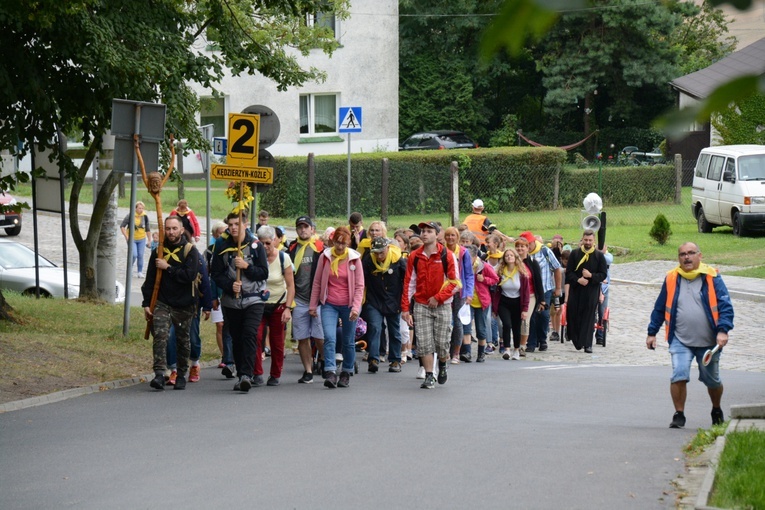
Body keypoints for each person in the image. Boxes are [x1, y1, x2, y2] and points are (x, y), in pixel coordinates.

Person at [647, 242, 734, 429]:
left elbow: (725, 306)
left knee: (712, 380)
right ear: (678, 258)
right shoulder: (671, 278)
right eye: (682, 254)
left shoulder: (712, 277)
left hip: (709, 341)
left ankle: (716, 409)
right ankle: (679, 414)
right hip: (680, 339)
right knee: (679, 373)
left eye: (691, 253)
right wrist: (651, 332)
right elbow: (660, 307)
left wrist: (723, 330)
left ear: (699, 256)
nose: (687, 257)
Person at [210, 212, 269, 392]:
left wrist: (246, 267)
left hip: (254, 299)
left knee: (249, 334)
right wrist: (229, 286)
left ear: (245, 224)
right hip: (232, 301)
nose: (234, 227)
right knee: (236, 337)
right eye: (231, 224)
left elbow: (263, 272)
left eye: (237, 224)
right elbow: (216, 274)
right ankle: (240, 372)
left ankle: (246, 374)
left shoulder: (256, 246)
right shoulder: (221, 245)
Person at [142, 216, 200, 391]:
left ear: (181, 230)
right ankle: (160, 373)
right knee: (161, 336)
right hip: (163, 302)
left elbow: (189, 275)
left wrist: (168, 268)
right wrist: (146, 303)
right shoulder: (158, 251)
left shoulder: (190, 251)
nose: (171, 232)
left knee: (183, 340)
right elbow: (150, 279)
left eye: (174, 228)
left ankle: (181, 373)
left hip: (184, 305)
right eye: (168, 229)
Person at [401, 221, 459, 390]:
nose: (424, 234)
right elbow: (409, 283)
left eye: (429, 231)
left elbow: (455, 283)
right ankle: (429, 375)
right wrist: (405, 308)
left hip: (442, 305)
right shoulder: (414, 256)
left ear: (436, 235)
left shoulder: (446, 255)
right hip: (421, 304)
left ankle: (442, 364)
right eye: (423, 231)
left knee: (442, 343)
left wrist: (439, 298)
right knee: (425, 342)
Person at [309, 226, 365, 389]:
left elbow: (360, 285)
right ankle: (331, 371)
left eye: (343, 243)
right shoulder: (325, 257)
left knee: (348, 341)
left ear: (348, 243)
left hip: (349, 305)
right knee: (330, 337)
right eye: (337, 243)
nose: (340, 247)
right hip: (329, 304)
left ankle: (346, 372)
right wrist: (313, 305)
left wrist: (356, 308)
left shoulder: (355, 259)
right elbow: (317, 282)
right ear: (333, 242)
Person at [254, 226, 295, 386]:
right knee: (256, 337)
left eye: (268, 243)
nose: (265, 247)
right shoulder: (255, 257)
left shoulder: (284, 258)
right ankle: (257, 373)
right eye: (261, 243)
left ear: (275, 241)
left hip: (278, 304)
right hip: (258, 304)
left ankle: (275, 374)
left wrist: (288, 308)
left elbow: (291, 286)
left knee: (277, 341)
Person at [286, 216, 325, 383]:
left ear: (312, 229)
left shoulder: (320, 249)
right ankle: (308, 370)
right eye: (300, 227)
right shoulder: (292, 250)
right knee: (302, 337)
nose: (303, 230)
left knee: (319, 336)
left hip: (317, 300)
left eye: (306, 227)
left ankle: (324, 359)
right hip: (299, 299)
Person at [362, 237, 406, 373]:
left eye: (382, 252)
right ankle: (373, 359)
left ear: (388, 248)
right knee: (375, 328)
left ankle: (395, 360)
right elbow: (361, 279)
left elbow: (407, 282)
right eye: (376, 253)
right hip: (374, 300)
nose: (379, 256)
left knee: (394, 331)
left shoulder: (398, 261)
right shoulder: (369, 261)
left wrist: (405, 303)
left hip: (393, 300)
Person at [564, 230, 608, 353]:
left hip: (591, 291)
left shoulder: (599, 256)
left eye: (590, 240)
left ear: (594, 241)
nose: (588, 242)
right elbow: (569, 272)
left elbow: (603, 274)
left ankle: (588, 343)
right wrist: (578, 280)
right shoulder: (575, 253)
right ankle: (577, 340)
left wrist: (591, 276)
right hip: (576, 290)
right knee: (574, 314)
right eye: (586, 240)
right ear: (582, 240)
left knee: (588, 317)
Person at [522, 231, 563, 352]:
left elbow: (556, 268)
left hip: (545, 289)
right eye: (524, 245)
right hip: (530, 291)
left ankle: (542, 339)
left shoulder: (545, 251)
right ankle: (531, 342)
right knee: (532, 316)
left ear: (533, 242)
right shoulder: (523, 255)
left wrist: (558, 287)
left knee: (544, 316)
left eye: (528, 244)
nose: (527, 247)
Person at [442, 226, 474, 363]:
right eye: (448, 235)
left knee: (458, 322)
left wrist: (469, 293)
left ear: (457, 237)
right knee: (445, 322)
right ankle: (445, 350)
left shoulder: (463, 252)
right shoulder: (441, 251)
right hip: (444, 290)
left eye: (453, 235)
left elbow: (469, 274)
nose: (450, 238)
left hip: (460, 291)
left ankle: (456, 352)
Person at [493, 247, 530, 360]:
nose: (509, 257)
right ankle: (507, 349)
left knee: (516, 326)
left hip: (517, 302)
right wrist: (494, 308)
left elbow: (526, 292)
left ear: (515, 258)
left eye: (511, 255)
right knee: (506, 324)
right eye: (507, 256)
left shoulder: (521, 274)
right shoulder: (500, 272)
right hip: (504, 302)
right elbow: (495, 290)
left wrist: (524, 309)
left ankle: (517, 350)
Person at [464, 244, 498, 362]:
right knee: (466, 327)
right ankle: (467, 352)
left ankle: (481, 353)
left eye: (468, 258)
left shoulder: (484, 266)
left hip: (482, 301)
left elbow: (495, 279)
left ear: (474, 257)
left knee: (481, 327)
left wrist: (484, 279)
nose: (466, 260)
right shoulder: (463, 266)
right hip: (468, 301)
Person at [515, 236, 544, 356]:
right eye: (518, 246)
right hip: (515, 295)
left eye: (523, 246)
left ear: (527, 248)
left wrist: (542, 300)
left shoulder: (533, 263)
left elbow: (538, 281)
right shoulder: (511, 261)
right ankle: (515, 344)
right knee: (515, 321)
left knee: (525, 321)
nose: (520, 248)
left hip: (530, 295)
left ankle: (522, 346)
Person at [120, 201, 151, 278]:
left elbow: (148, 229)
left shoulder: (145, 216)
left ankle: (139, 272)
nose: (141, 210)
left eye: (142, 208)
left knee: (140, 255)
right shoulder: (130, 215)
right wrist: (126, 236)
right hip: (132, 239)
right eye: (139, 208)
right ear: (136, 208)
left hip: (141, 238)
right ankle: (130, 268)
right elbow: (122, 226)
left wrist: (149, 240)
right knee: (134, 255)